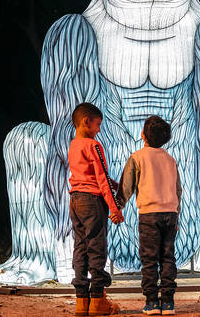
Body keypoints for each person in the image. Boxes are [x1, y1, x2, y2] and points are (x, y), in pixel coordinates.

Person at [119, 115, 182, 315]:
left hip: (148, 215)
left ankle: (152, 302)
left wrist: (116, 207)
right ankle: (169, 302)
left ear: (143, 135)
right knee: (167, 258)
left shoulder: (137, 157)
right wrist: (177, 214)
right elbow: (177, 190)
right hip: (170, 214)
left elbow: (126, 188)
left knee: (149, 259)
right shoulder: (171, 160)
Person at [68, 102, 124, 316]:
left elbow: (87, 173)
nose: (99, 129)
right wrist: (114, 208)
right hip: (92, 201)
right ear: (86, 122)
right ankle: (98, 300)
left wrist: (111, 182)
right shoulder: (94, 145)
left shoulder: (74, 145)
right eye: (97, 124)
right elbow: (100, 178)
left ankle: (81, 301)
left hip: (75, 199)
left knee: (80, 247)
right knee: (97, 248)